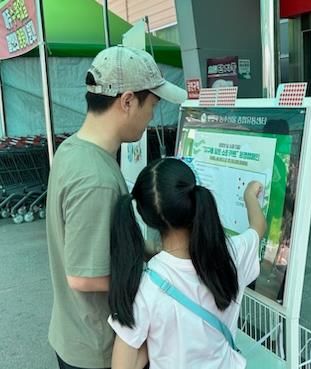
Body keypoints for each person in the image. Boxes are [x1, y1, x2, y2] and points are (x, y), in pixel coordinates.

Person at [46, 45, 187, 369]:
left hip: (73, 331)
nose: (152, 115)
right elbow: (84, 276)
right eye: (152, 104)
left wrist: (150, 251)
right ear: (127, 101)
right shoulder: (94, 179)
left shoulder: (72, 149)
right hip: (96, 348)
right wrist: (162, 279)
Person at [108, 158, 266, 369]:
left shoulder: (147, 287)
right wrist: (249, 195)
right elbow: (259, 227)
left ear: (147, 218)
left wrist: (151, 340)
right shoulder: (231, 254)